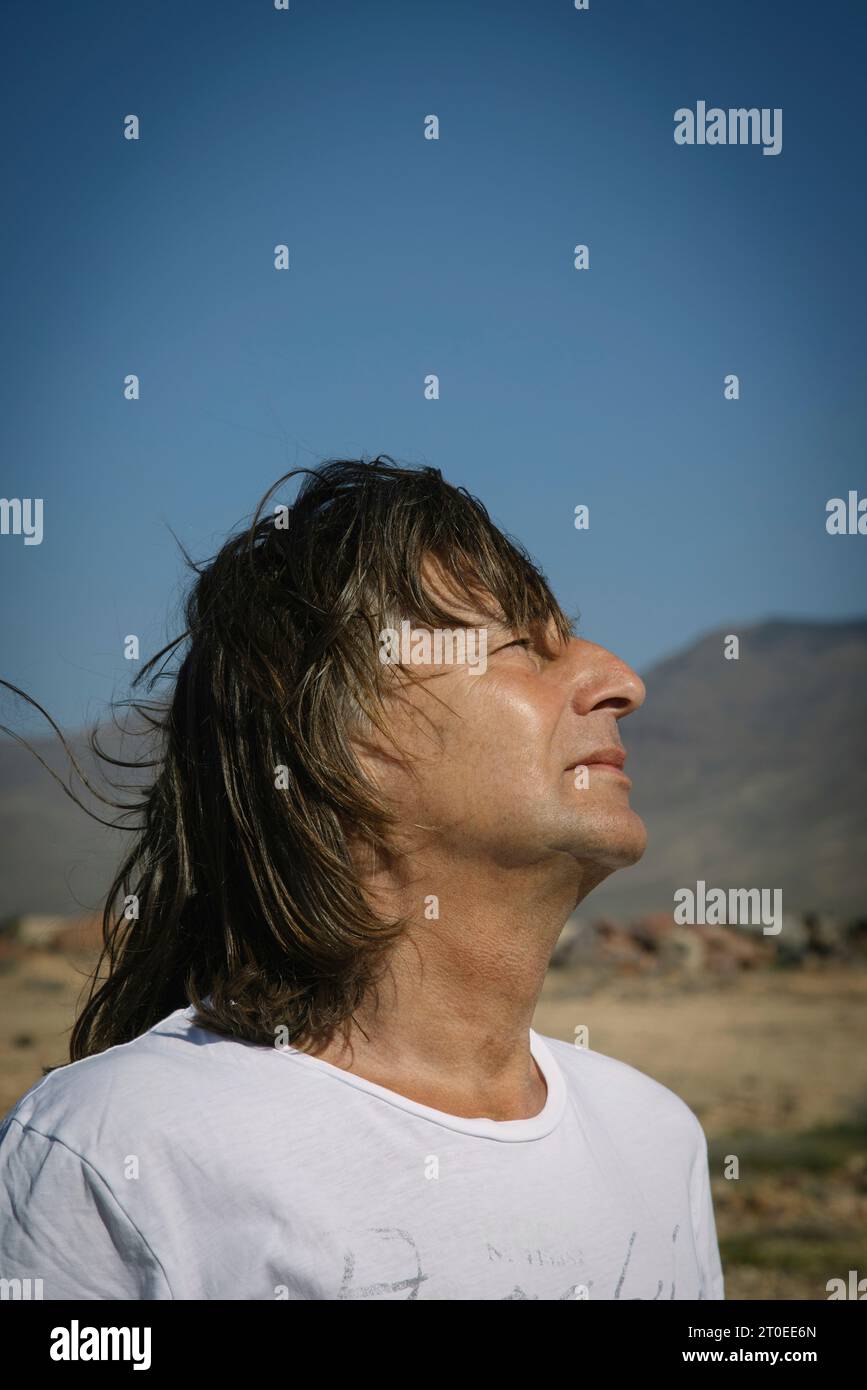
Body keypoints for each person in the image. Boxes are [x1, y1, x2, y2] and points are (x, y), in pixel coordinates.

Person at [0, 456, 725, 1300]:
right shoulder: (119, 1153)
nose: (622, 682)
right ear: (338, 735)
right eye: (522, 645)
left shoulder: (652, 1134)